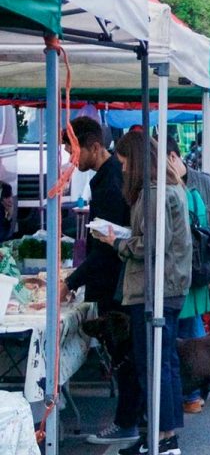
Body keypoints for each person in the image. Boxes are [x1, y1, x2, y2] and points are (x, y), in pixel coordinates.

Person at [94, 132, 192, 455]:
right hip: (169, 287)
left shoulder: (153, 192)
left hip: (156, 290)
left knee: (154, 364)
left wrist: (117, 242)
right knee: (164, 363)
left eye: (123, 164)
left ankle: (163, 440)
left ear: (134, 161)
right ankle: (164, 437)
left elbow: (150, 245)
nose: (121, 170)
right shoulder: (167, 186)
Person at [59, 117, 141, 445]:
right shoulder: (105, 179)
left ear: (95, 146)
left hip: (116, 283)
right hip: (114, 279)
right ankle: (130, 419)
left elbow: (106, 249)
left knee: (123, 356)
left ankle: (127, 422)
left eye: (73, 150)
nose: (70, 158)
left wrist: (72, 281)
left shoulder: (109, 183)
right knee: (124, 356)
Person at [166, 137, 210, 414]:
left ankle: (194, 391)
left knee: (191, 330)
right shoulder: (162, 185)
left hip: (197, 274)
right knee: (182, 332)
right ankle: (190, 390)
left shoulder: (205, 184)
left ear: (171, 157)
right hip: (174, 274)